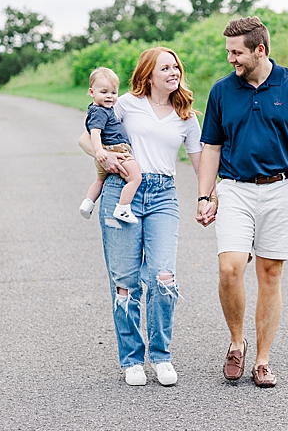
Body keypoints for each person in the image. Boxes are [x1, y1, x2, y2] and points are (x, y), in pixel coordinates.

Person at [196, 16, 288, 388]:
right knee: (230, 268)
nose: (231, 59)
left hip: (283, 188)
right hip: (236, 189)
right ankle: (236, 343)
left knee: (270, 274)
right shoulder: (222, 92)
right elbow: (211, 146)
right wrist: (205, 194)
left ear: (260, 49)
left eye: (237, 52)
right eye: (228, 52)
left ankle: (262, 360)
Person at [79, 47, 203, 388]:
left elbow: (199, 164)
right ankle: (132, 359)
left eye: (176, 66)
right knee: (125, 283)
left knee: (163, 277)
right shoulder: (124, 105)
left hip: (163, 195)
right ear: (148, 75)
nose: (174, 71)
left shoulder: (187, 117)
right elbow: (85, 137)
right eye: (165, 67)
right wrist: (103, 157)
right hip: (122, 191)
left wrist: (210, 195)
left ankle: (161, 356)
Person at [79, 67, 142, 224]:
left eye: (114, 93)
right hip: (116, 151)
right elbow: (95, 133)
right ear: (92, 92)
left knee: (99, 180)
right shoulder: (100, 112)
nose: (109, 96)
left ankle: (88, 203)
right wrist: (100, 151)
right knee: (135, 178)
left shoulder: (99, 109)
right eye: (104, 92)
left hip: (106, 153)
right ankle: (123, 207)